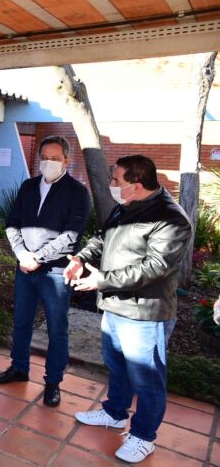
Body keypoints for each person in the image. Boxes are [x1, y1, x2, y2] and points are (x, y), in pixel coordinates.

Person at [67, 155, 191, 464]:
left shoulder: (171, 219)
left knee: (147, 379)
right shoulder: (126, 207)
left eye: (116, 180)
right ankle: (114, 412)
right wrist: (80, 258)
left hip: (145, 314)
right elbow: (103, 238)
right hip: (115, 307)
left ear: (135, 186)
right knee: (117, 366)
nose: (111, 185)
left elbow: (154, 268)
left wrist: (102, 281)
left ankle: (144, 436)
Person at [0, 135, 90, 407]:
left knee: (57, 329)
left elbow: (72, 235)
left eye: (55, 158)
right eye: (44, 157)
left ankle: (53, 383)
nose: (48, 162)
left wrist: (39, 257)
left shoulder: (77, 192)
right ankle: (19, 368)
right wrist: (22, 254)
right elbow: (12, 224)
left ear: (67, 161)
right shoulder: (28, 186)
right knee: (21, 321)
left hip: (56, 272)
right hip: (25, 268)